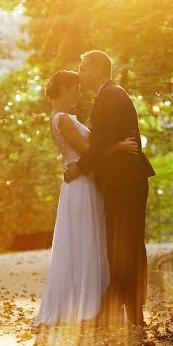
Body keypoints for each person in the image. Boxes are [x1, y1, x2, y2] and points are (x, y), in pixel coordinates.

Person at [34, 69, 138, 327]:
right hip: (80, 185)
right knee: (85, 241)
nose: (80, 94)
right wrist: (119, 147)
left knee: (91, 240)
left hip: (84, 182)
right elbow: (88, 153)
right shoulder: (62, 120)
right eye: (75, 89)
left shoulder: (67, 118)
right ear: (64, 89)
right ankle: (83, 305)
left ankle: (93, 303)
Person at [64, 51, 155, 326]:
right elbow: (106, 142)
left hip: (126, 180)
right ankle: (127, 308)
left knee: (126, 243)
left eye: (82, 68)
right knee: (123, 242)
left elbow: (100, 142)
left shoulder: (111, 95)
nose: (79, 74)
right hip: (122, 180)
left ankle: (123, 307)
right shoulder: (110, 95)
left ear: (96, 70)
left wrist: (80, 167)